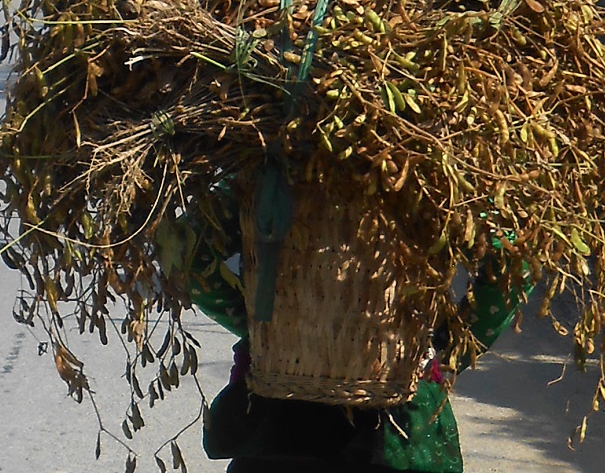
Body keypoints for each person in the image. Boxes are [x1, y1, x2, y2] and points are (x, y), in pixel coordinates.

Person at [164, 195, 527, 473]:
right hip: (398, 432)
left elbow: (182, 249)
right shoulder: (432, 182)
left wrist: (262, 329)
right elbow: (513, 259)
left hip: (274, 421)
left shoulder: (266, 170)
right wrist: (446, 352)